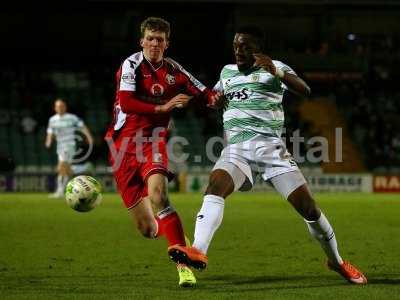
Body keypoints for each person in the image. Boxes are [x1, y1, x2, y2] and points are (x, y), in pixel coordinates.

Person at [168, 26, 367, 285]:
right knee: (215, 187)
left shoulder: (273, 68)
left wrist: (278, 72)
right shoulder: (227, 72)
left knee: (309, 209)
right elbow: (214, 98)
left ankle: (337, 261)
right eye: (237, 45)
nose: (239, 51)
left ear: (257, 50)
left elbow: (304, 90)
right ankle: (198, 250)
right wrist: (214, 102)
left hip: (270, 148)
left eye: (246, 47)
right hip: (237, 148)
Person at [104, 17, 221, 287]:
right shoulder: (131, 64)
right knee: (148, 230)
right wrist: (162, 107)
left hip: (152, 142)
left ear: (167, 43)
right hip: (122, 146)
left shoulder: (174, 70)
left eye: (160, 39)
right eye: (150, 38)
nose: (155, 43)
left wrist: (217, 98)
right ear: (142, 41)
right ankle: (175, 237)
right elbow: (126, 102)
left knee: (159, 195)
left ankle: (184, 266)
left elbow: (204, 92)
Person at [45, 99, 94, 198]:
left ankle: (60, 191)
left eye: (62, 106)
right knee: (65, 170)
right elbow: (50, 132)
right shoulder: (52, 120)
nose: (60, 108)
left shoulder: (72, 118)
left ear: (65, 107)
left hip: (69, 145)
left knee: (61, 166)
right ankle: (84, 168)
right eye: (58, 106)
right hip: (60, 146)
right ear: (55, 108)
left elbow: (82, 126)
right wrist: (48, 141)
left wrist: (89, 136)